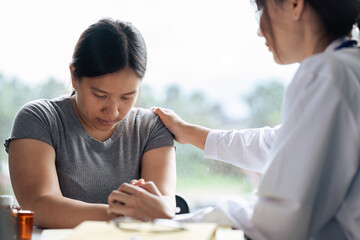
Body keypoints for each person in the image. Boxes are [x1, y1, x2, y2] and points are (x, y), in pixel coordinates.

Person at [151, 0, 360, 239]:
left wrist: (171, 218)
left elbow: (279, 219)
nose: (260, 30)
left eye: (261, 10)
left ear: (295, 4)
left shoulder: (326, 74)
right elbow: (277, 143)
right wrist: (190, 133)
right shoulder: (347, 68)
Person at [4, 18, 176, 229]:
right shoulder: (40, 118)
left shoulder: (151, 128)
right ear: (74, 76)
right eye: (100, 95)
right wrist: (123, 214)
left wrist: (152, 210)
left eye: (127, 97)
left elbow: (164, 206)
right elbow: (40, 207)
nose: (113, 111)